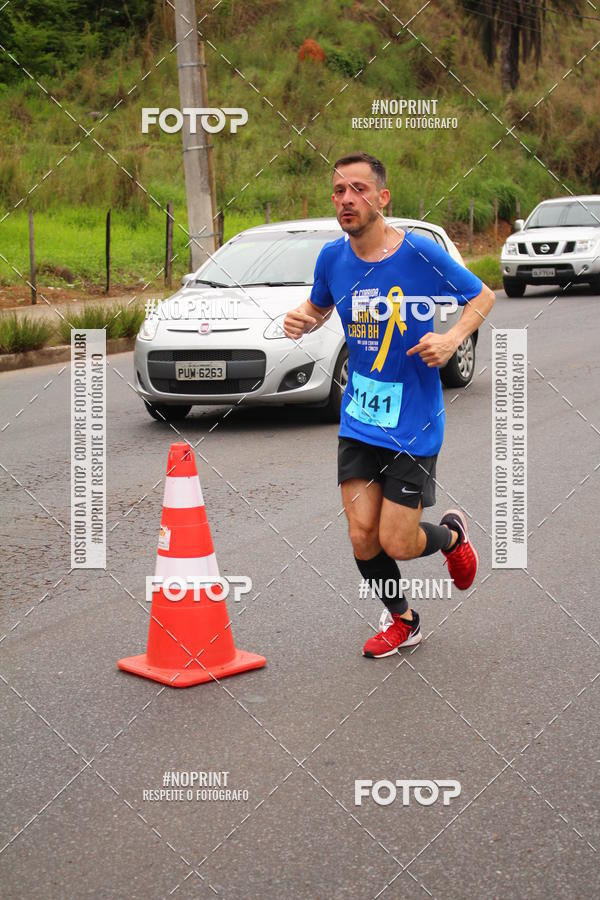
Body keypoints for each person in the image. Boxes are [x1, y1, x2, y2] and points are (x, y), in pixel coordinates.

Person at [283, 152, 496, 657]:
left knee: (397, 541)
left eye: (358, 189)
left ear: (382, 197)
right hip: (360, 418)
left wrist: (450, 339)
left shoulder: (419, 253)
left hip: (414, 423)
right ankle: (404, 620)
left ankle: (451, 537)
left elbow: (482, 296)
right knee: (363, 536)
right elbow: (320, 304)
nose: (346, 199)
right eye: (339, 191)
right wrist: (302, 318)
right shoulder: (332, 258)